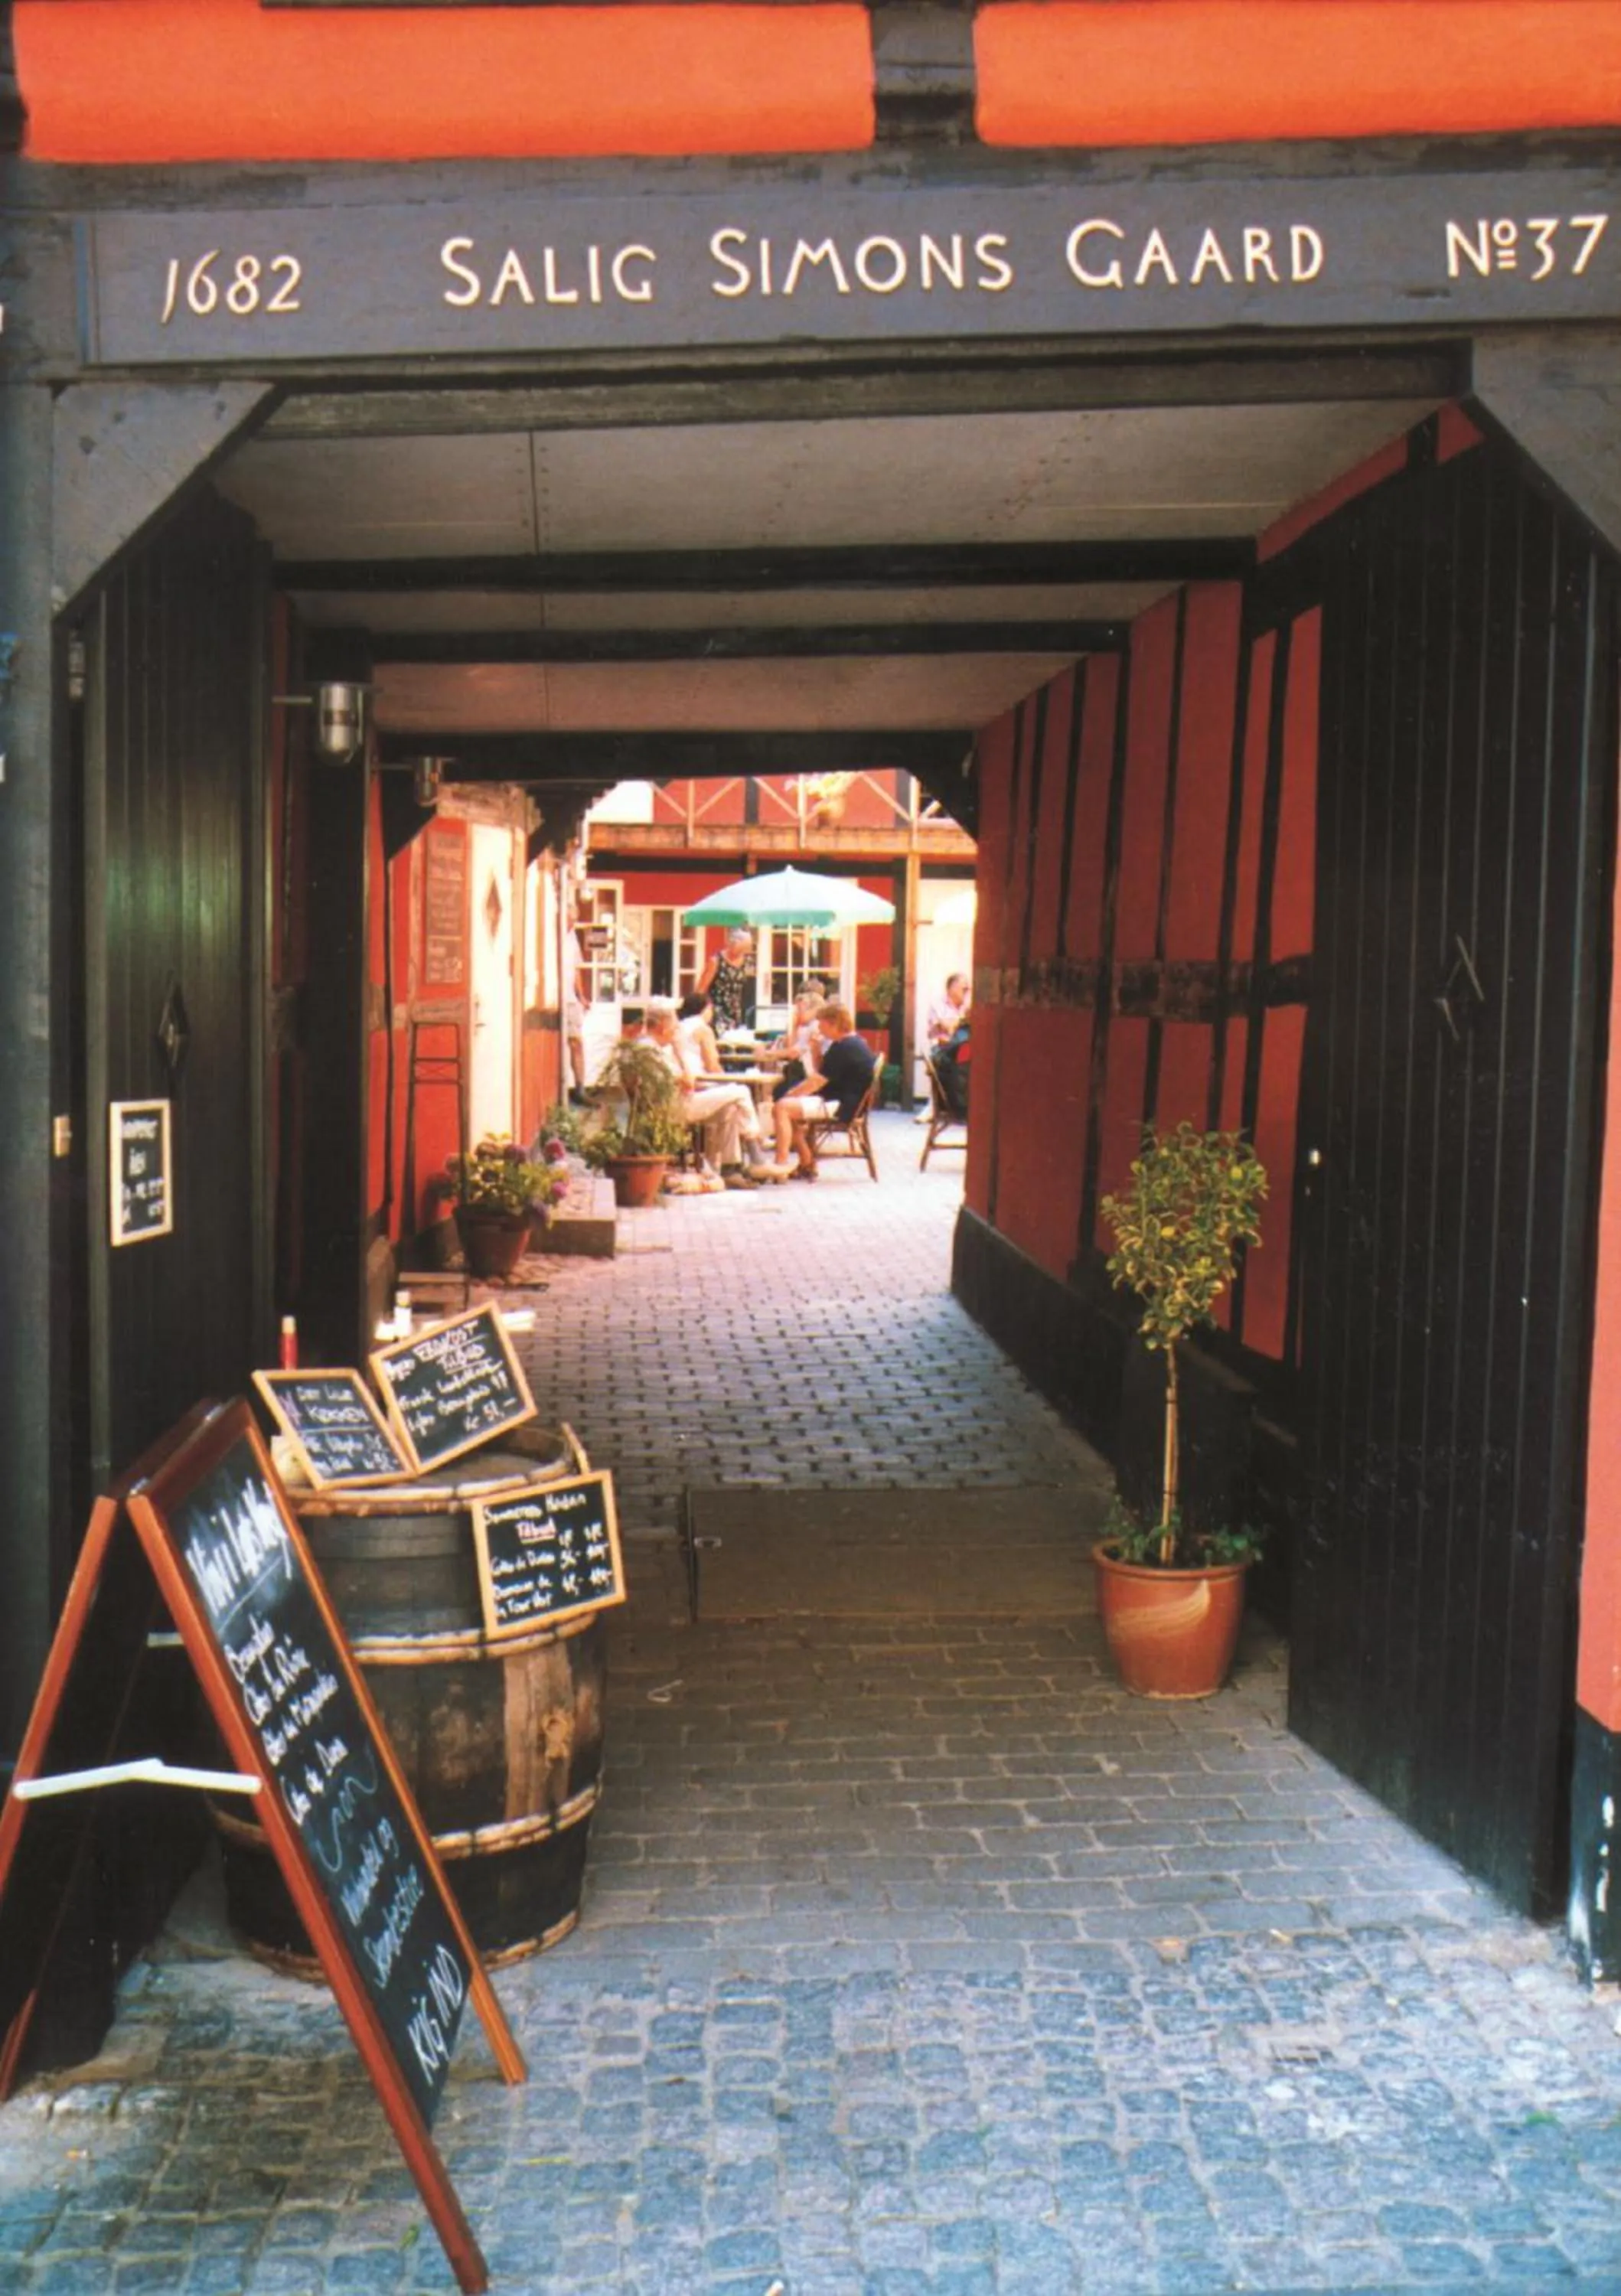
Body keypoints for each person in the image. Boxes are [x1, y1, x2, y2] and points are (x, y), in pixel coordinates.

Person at [647, 1003, 781, 1186]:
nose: (677, 1031)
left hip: (678, 1101)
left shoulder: (660, 1047)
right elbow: (686, 1082)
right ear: (663, 1026)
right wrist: (679, 1051)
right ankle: (756, 1154)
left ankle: (731, 1169)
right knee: (741, 1091)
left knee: (731, 1107)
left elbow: (686, 1082)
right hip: (674, 1107)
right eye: (675, 1026)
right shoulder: (654, 1050)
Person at [773, 1003, 876, 1179]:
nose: (820, 1029)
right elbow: (822, 1071)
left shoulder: (845, 1048)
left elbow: (816, 1081)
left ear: (834, 1023)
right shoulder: (851, 1043)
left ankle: (780, 1166)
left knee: (782, 1108)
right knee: (786, 1108)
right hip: (843, 1100)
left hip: (842, 1105)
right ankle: (807, 1162)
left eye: (822, 1025)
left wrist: (792, 1094)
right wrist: (816, 1050)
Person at [763, 986, 825, 1102]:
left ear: (814, 1009)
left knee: (779, 1092)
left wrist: (768, 1054)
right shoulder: (804, 1027)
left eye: (800, 1009)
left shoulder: (816, 1026)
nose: (796, 1012)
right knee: (777, 1089)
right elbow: (790, 1047)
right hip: (803, 1072)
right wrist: (794, 1026)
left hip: (811, 1078)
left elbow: (794, 1053)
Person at [697, 928, 757, 1035]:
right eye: (741, 949)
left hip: (735, 1012)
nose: (742, 952)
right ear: (732, 944)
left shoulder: (746, 961)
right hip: (717, 1011)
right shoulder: (715, 961)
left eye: (745, 950)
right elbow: (700, 990)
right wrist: (706, 1008)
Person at [562, 905, 590, 1104]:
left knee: (577, 1042)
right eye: (569, 919)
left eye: (574, 920)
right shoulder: (553, 934)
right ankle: (567, 1087)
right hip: (558, 996)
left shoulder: (572, 936)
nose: (572, 923)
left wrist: (581, 995)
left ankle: (580, 1088)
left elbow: (576, 969)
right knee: (568, 1044)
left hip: (571, 998)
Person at [676, 990, 722, 1078]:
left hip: (679, 1077)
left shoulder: (677, 1027)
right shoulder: (704, 1030)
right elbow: (711, 1066)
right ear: (705, 1009)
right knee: (742, 1090)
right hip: (697, 1078)